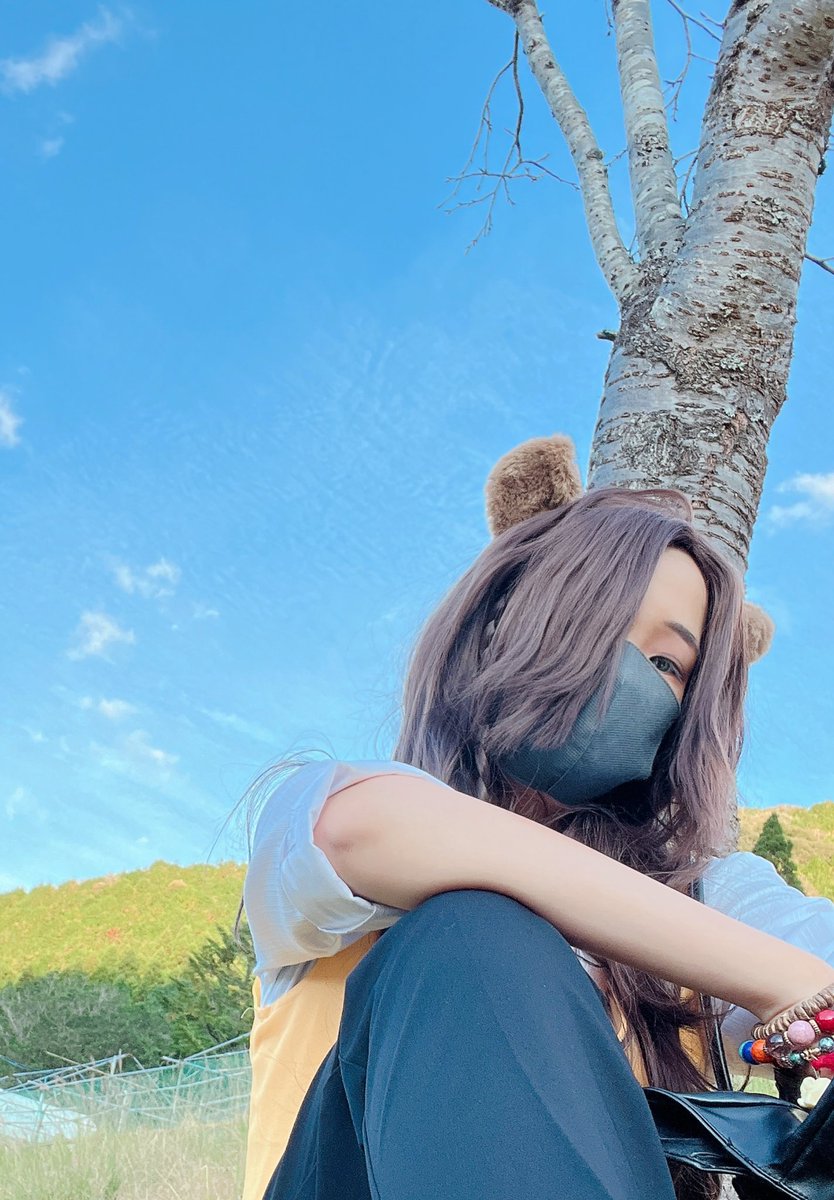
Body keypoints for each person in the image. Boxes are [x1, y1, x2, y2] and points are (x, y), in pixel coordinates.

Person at [240, 439, 834, 1200]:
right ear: (500, 625)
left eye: (666, 665)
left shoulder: (711, 889)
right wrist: (785, 982)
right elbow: (368, 831)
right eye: (593, 620)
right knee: (472, 931)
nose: (620, 671)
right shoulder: (330, 813)